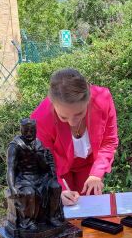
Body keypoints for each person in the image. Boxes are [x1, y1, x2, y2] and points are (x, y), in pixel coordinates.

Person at [31, 68, 118, 206]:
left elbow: (109, 141)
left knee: (91, 207)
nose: (72, 122)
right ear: (53, 105)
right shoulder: (41, 118)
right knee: (64, 208)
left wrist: (97, 173)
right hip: (58, 169)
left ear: (88, 100)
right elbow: (44, 160)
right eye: (63, 117)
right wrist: (57, 188)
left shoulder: (103, 99)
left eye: (79, 113)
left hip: (90, 165)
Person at [6, 118, 63, 231]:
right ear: (21, 130)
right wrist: (12, 187)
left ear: (36, 130)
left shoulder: (38, 143)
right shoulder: (15, 145)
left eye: (32, 131)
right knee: (29, 193)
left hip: (40, 177)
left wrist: (40, 156)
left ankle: (52, 216)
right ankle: (27, 222)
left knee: (56, 187)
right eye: (26, 131)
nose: (29, 134)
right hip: (23, 179)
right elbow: (10, 168)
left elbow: (45, 167)